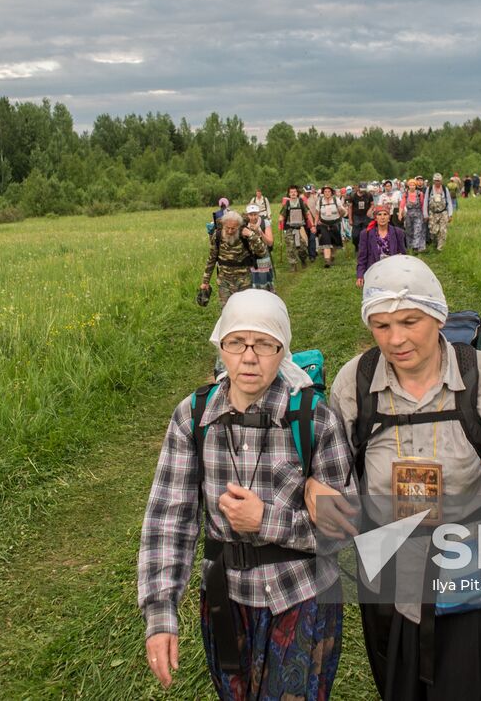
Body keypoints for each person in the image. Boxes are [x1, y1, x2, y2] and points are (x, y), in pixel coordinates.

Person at [305, 255, 481, 701]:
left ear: (438, 316)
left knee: (473, 683)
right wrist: (316, 486)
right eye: (382, 325)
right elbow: (333, 468)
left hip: (475, 567)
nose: (397, 339)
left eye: (410, 321)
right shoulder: (356, 382)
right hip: (387, 567)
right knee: (397, 682)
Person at [138, 291, 354, 698]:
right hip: (226, 599)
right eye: (237, 343)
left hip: (303, 595)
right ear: (221, 347)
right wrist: (161, 612)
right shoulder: (193, 417)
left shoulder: (313, 419)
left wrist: (265, 521)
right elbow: (169, 519)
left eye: (265, 344)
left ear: (282, 349)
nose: (249, 357)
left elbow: (347, 530)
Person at [201, 210, 268, 310]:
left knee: (244, 311)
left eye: (233, 228)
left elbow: (262, 252)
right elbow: (211, 259)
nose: (230, 231)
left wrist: (252, 236)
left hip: (244, 281)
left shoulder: (246, 235)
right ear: (223, 225)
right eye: (227, 228)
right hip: (224, 282)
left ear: (239, 226)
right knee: (226, 311)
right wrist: (205, 282)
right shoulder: (217, 236)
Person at [355, 202, 405, 286]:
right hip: (374, 271)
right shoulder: (366, 234)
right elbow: (362, 257)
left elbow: (403, 254)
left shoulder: (398, 232)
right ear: (375, 218)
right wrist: (360, 276)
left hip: (393, 270)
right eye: (379, 214)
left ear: (389, 218)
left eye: (385, 214)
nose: (382, 217)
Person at [279, 185, 315, 272]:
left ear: (297, 193)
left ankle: (303, 260)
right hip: (289, 228)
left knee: (302, 247)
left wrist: (312, 225)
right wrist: (280, 219)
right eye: (291, 192)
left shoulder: (301, 202)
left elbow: (308, 213)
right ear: (289, 194)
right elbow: (282, 214)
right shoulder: (287, 203)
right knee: (290, 247)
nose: (293, 193)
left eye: (294, 192)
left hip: (300, 228)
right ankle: (293, 265)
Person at [245, 203, 276, 292]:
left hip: (263, 258)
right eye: (251, 215)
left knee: (264, 282)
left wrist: (260, 232)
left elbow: (270, 243)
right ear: (247, 215)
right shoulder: (244, 224)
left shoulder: (264, 222)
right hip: (250, 258)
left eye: (255, 214)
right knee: (252, 284)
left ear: (258, 214)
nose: (253, 217)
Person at [314, 184, 346, 268]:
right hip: (324, 224)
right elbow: (317, 213)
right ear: (323, 193)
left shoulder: (336, 200)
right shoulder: (320, 201)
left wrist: (341, 212)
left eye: (329, 191)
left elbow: (342, 211)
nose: (327, 193)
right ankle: (327, 260)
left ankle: (332, 255)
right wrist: (315, 224)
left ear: (331, 192)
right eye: (325, 191)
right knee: (326, 241)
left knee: (334, 242)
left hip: (335, 223)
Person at [423, 172, 454, 252]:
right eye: (436, 180)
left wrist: (450, 214)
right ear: (433, 181)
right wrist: (425, 214)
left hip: (443, 213)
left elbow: (449, 202)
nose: (437, 182)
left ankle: (440, 248)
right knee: (433, 231)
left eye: (439, 180)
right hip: (432, 213)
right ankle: (435, 242)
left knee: (443, 230)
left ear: (441, 181)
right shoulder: (429, 189)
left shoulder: (445, 189)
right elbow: (425, 202)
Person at [399, 177, 428, 253]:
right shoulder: (406, 194)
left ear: (415, 186)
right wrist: (400, 214)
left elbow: (422, 205)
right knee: (409, 231)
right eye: (410, 185)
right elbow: (402, 204)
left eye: (413, 185)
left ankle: (416, 247)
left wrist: (425, 215)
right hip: (409, 215)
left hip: (418, 214)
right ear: (408, 186)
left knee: (417, 230)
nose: (412, 186)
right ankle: (409, 247)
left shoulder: (419, 194)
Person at [347, 183, 373, 253]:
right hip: (356, 216)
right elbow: (350, 207)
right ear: (358, 188)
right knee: (355, 235)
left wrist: (370, 210)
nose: (363, 191)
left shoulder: (368, 195)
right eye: (362, 189)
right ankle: (356, 246)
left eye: (364, 189)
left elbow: (372, 204)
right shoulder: (353, 196)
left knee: (365, 233)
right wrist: (350, 219)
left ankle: (364, 249)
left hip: (365, 216)